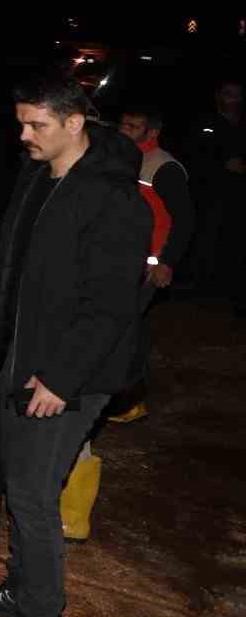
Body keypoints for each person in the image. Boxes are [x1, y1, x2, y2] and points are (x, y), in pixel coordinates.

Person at [0, 72, 148, 617]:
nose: (24, 134)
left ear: (75, 124)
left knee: (32, 494)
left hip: (73, 373)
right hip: (25, 357)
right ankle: (24, 588)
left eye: (37, 125)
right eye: (22, 122)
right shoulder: (39, 175)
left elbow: (110, 306)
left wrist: (60, 381)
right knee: (16, 483)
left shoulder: (113, 196)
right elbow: (23, 269)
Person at [105, 106, 194, 424]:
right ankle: (120, 397)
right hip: (121, 261)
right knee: (123, 327)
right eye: (123, 123)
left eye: (133, 125)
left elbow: (184, 221)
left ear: (152, 132)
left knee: (128, 330)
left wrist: (166, 263)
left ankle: (131, 401)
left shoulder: (163, 167)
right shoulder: (121, 160)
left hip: (147, 266)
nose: (124, 129)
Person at [184, 78, 244, 311]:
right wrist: (221, 166)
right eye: (229, 93)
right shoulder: (205, 124)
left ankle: (228, 287)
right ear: (219, 96)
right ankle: (202, 290)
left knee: (233, 241)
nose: (234, 99)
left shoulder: (241, 125)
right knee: (207, 238)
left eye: (238, 94)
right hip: (210, 195)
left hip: (237, 196)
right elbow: (193, 157)